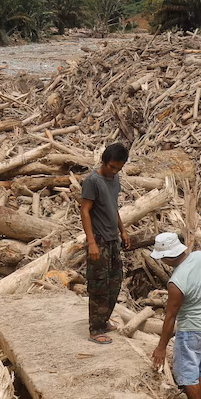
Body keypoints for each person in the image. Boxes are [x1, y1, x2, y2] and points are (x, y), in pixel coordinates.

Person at [149, 231, 201, 399]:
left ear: (166, 258)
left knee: (187, 369)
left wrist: (161, 347)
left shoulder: (176, 283)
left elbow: (171, 317)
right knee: (200, 367)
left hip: (192, 327)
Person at [80, 142, 130, 344]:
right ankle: (95, 329)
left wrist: (123, 230)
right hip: (99, 239)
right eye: (111, 167)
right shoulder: (92, 181)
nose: (114, 171)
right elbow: (84, 211)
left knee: (115, 281)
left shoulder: (114, 179)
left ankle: (104, 319)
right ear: (104, 161)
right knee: (99, 285)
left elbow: (113, 207)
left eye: (118, 168)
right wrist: (91, 242)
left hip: (113, 238)